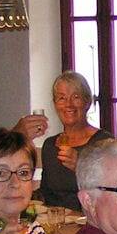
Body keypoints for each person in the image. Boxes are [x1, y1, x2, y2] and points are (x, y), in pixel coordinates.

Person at [40, 72, 110, 211]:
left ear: (87, 102)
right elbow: (45, 194)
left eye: (76, 97)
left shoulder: (103, 142)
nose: (69, 104)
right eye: (61, 98)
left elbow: (109, 193)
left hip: (89, 223)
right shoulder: (49, 145)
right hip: (55, 223)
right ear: (55, 104)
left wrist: (80, 167)